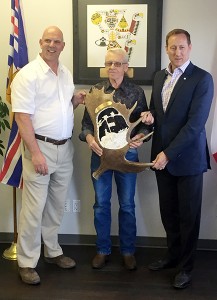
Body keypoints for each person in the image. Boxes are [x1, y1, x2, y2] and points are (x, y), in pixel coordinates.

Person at [11, 26, 85, 285]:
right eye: (48, 40)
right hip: (39, 150)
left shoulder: (64, 73)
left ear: (63, 46)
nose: (52, 45)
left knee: (56, 205)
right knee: (34, 209)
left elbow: (61, 107)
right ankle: (27, 262)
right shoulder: (27, 75)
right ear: (40, 42)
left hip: (65, 149)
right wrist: (36, 154)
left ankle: (52, 251)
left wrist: (74, 100)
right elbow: (22, 117)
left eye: (57, 41)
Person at [141, 29, 214, 289]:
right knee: (168, 214)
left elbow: (195, 125)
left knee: (188, 216)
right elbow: (157, 115)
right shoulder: (159, 76)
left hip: (187, 161)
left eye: (182, 47)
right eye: (173, 47)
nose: (177, 52)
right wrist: (148, 120)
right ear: (166, 48)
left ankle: (186, 267)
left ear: (190, 47)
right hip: (162, 160)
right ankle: (172, 257)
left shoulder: (202, 79)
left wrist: (168, 154)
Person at [79, 48, 151, 270]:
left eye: (117, 64)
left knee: (127, 205)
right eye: (109, 63)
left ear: (126, 67)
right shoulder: (96, 91)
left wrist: (140, 137)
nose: (112, 67)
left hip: (127, 156)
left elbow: (146, 124)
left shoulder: (137, 93)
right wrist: (90, 139)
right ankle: (102, 250)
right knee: (101, 204)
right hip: (100, 156)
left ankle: (128, 251)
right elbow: (86, 126)